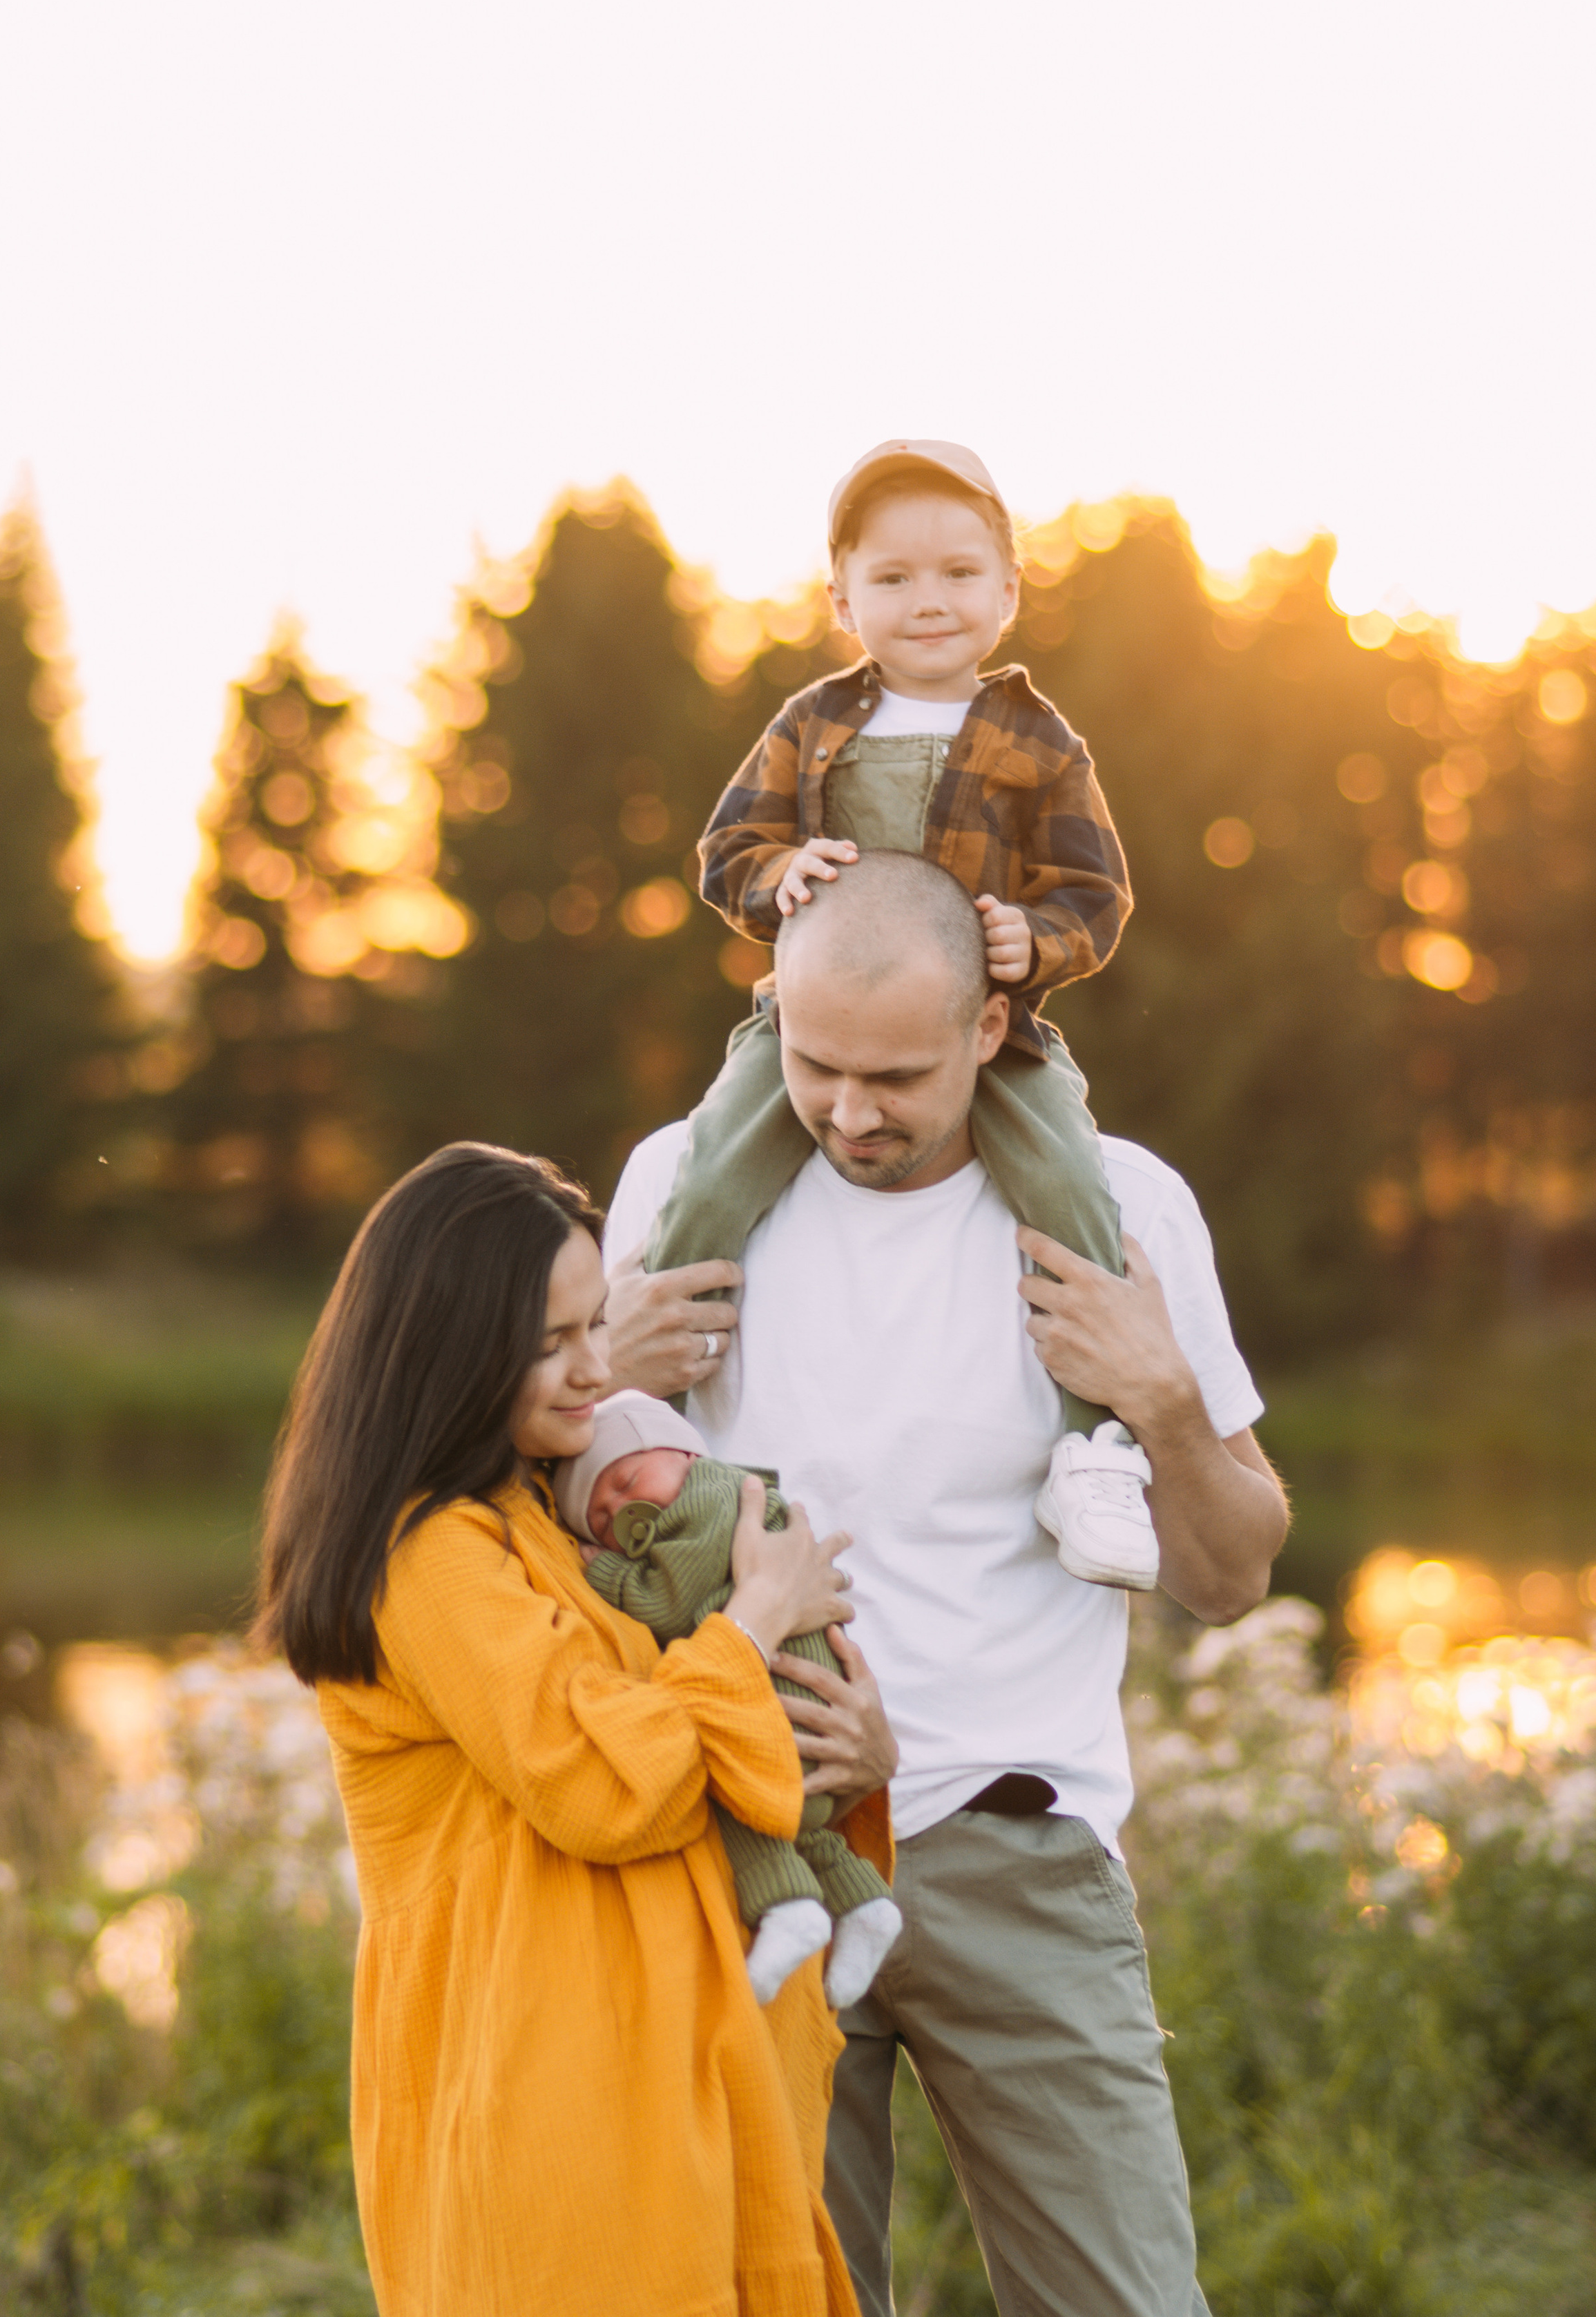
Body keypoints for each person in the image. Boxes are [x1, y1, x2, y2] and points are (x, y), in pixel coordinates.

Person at [604, 854, 1291, 2317]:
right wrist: (600, 1372)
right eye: (813, 1063)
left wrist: (1160, 1400)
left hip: (1017, 1858)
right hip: (754, 1859)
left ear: (990, 1029)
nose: (849, 1112)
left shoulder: (1118, 1209)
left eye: (896, 1075)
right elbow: (580, 1534)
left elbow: (1230, 1577)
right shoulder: (679, 1192)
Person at [256, 1142, 874, 2317]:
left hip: (655, 2086)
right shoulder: (426, 1558)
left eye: (597, 1324)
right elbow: (601, 1782)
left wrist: (846, 1725)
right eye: (551, 1343)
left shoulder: (545, 1517)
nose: (595, 1370)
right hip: (549, 2101)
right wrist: (753, 1621)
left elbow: (686, 1724)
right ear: (447, 1357)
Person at [645, 436, 1160, 1592]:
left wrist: (1042, 943)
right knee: (713, 1171)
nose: (929, 600)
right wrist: (778, 877)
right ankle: (655, 1418)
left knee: (1071, 1187)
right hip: (809, 1028)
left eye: (958, 574)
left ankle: (1096, 1450)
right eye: (893, 578)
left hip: (988, 1035)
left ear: (1009, 590)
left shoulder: (1040, 741)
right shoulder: (809, 723)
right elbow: (727, 849)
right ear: (842, 600)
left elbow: (1095, 891)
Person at [556, 1387, 903, 2008]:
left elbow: (671, 1601)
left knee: (728, 1786)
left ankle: (788, 1905)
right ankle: (865, 1904)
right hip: (799, 1703)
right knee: (801, 1823)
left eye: (629, 1478)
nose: (621, 1506)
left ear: (685, 1453)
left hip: (787, 1693)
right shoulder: (698, 1506)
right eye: (603, 1521)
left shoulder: (715, 1495)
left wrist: (602, 1570)